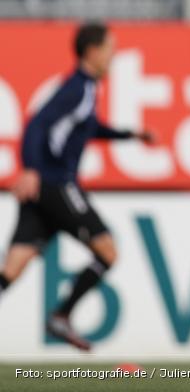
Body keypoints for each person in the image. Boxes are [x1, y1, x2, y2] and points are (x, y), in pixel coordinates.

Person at [0, 22, 155, 351]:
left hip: (45, 189)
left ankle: (61, 316)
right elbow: (35, 124)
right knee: (107, 250)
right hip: (56, 183)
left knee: (11, 269)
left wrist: (129, 135)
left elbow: (89, 127)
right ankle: (62, 315)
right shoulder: (77, 88)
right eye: (110, 49)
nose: (113, 57)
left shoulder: (86, 90)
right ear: (93, 51)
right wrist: (29, 169)